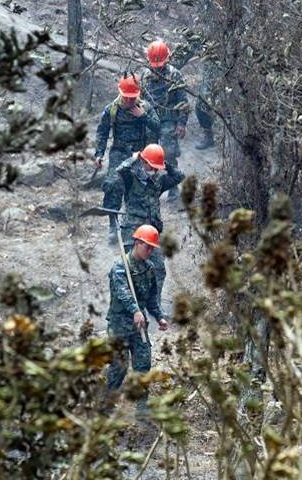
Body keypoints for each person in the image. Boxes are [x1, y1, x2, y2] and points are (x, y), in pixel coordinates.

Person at [106, 224, 169, 415]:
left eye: (152, 248)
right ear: (136, 243)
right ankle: (107, 407)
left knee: (143, 364)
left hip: (139, 326)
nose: (149, 251)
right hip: (119, 325)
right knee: (119, 366)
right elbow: (123, 293)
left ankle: (142, 410)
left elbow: (151, 299)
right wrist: (135, 310)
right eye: (146, 246)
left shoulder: (149, 269)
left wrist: (159, 317)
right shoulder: (120, 266)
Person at [109, 144, 184, 296]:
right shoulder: (131, 177)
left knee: (158, 270)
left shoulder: (158, 182)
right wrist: (134, 157)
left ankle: (154, 305)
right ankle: (131, 306)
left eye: (157, 168)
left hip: (152, 234)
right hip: (133, 233)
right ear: (144, 162)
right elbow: (120, 170)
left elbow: (179, 176)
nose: (155, 170)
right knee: (131, 271)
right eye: (152, 166)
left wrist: (165, 164)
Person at [94, 74, 160, 244]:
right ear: (121, 94)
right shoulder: (112, 109)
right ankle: (112, 225)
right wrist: (99, 154)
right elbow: (102, 132)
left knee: (139, 190)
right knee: (113, 184)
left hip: (140, 155)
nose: (129, 101)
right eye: (126, 97)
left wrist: (142, 116)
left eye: (132, 97)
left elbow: (158, 128)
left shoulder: (145, 108)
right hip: (119, 153)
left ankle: (139, 227)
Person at [141, 39, 189, 202]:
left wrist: (182, 123)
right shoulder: (145, 75)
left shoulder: (175, 75)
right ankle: (151, 186)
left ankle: (172, 186)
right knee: (149, 155)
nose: (158, 67)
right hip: (150, 120)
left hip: (169, 120)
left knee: (168, 153)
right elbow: (140, 99)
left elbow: (183, 100)